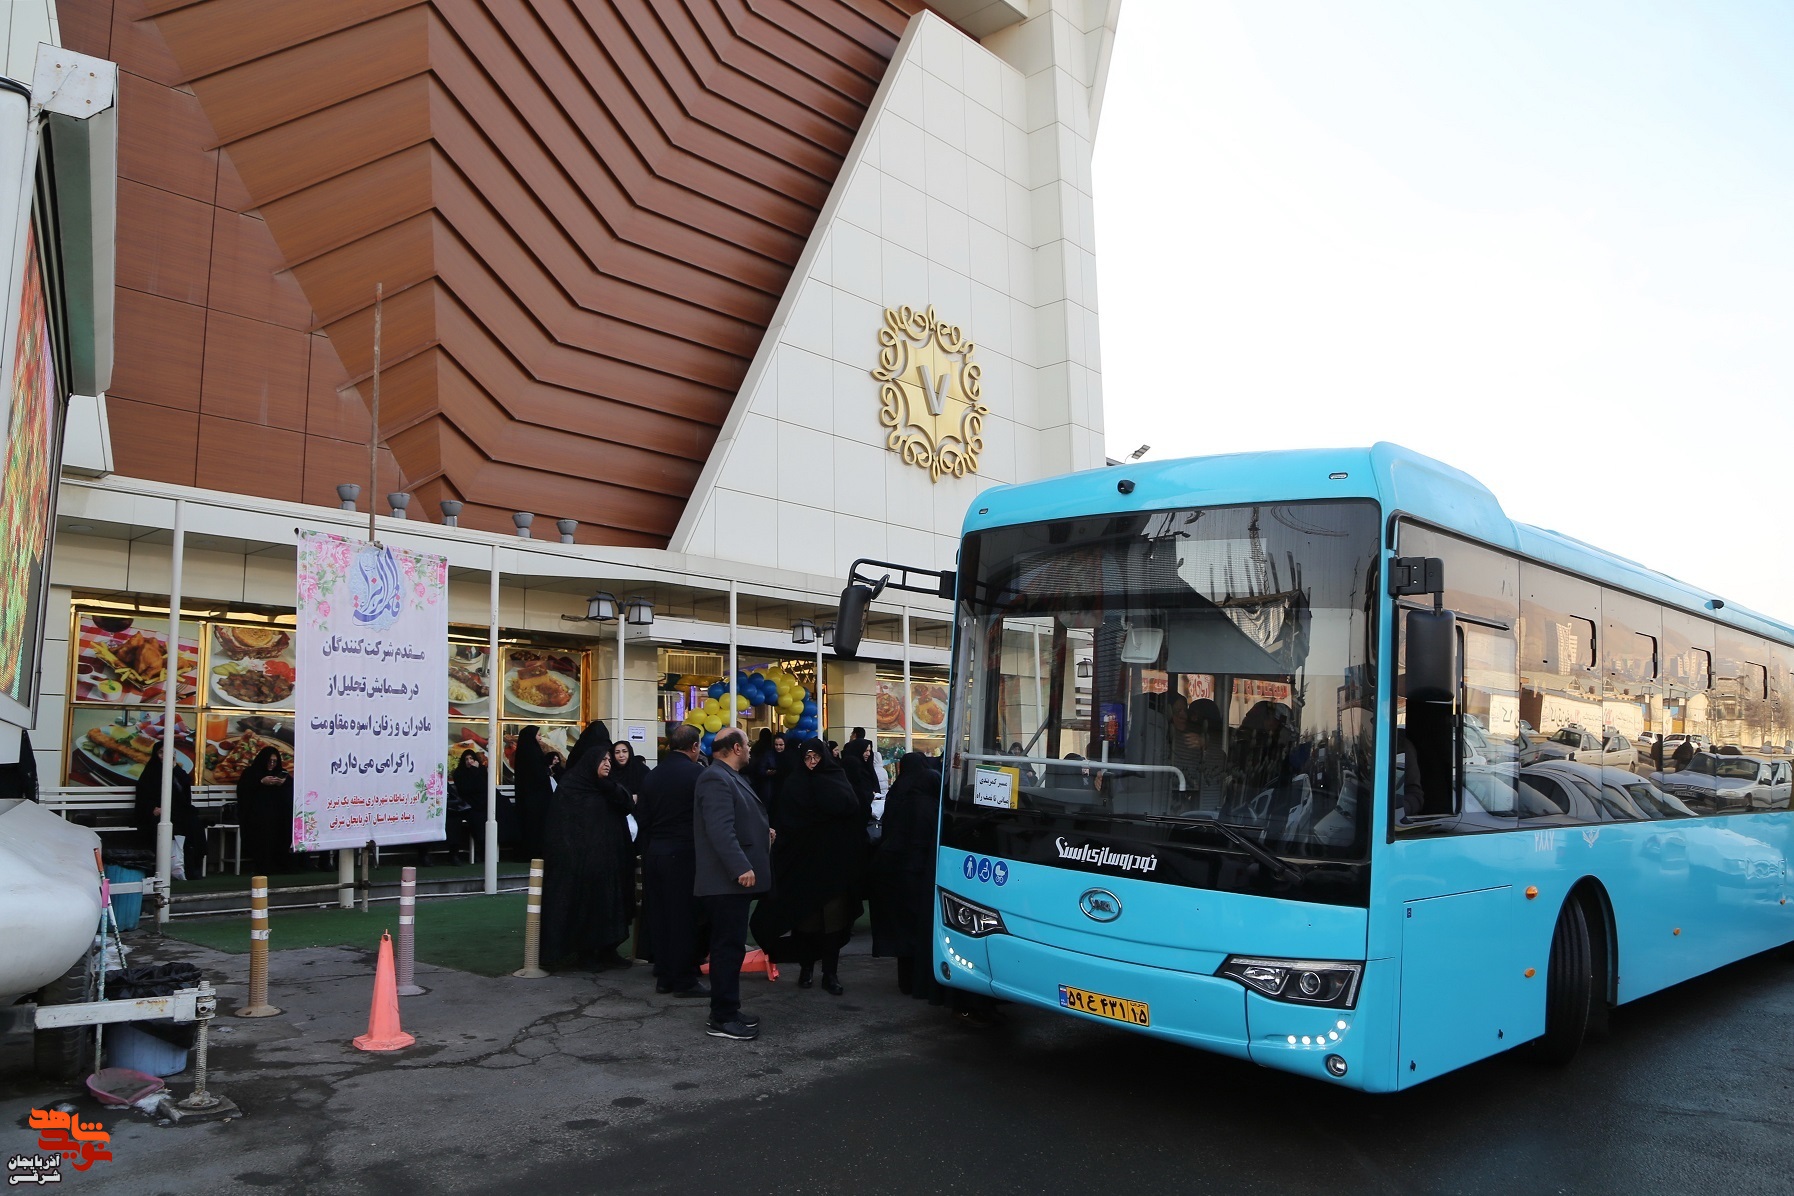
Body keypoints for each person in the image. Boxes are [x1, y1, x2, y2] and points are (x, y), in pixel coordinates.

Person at [751, 738, 865, 994]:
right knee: (806, 918)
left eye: (816, 757)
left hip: (833, 861)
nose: (812, 762)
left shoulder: (837, 777)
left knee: (833, 918)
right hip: (803, 861)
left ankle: (830, 973)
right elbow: (786, 819)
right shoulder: (795, 782)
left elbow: (851, 809)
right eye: (807, 758)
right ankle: (806, 969)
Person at [693, 727, 772, 1040]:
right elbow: (720, 829)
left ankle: (728, 1008)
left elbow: (736, 821)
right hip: (725, 881)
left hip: (730, 881)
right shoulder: (715, 778)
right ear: (736, 748)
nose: (751, 749)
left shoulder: (728, 776)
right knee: (727, 950)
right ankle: (722, 1017)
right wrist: (740, 865)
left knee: (731, 948)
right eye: (747, 744)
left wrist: (761, 836)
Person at [539, 743, 635, 970]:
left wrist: (609, 788)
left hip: (610, 861)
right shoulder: (572, 787)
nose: (608, 764)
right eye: (603, 760)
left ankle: (608, 950)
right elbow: (563, 827)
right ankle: (587, 954)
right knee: (587, 907)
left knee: (612, 904)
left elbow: (626, 805)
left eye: (609, 760)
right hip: (580, 863)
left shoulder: (605, 786)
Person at [635, 724, 709, 998]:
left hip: (655, 853)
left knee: (662, 917)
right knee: (684, 918)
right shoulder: (697, 774)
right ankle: (684, 980)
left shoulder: (652, 776)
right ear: (694, 747)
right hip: (684, 854)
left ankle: (665, 976)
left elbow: (642, 816)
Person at [871, 751, 942, 996]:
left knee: (902, 928)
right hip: (918, 871)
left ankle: (905, 981)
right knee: (918, 927)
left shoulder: (897, 793)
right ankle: (920, 981)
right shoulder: (926, 803)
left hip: (894, 869)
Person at [133, 742, 203, 878]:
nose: (164, 756)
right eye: (161, 752)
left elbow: (184, 789)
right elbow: (144, 795)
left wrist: (174, 768)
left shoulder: (178, 771)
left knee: (194, 825)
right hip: (157, 813)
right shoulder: (151, 772)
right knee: (166, 826)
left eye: (169, 752)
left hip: (178, 812)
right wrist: (153, 809)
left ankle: (191, 868)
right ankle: (166, 868)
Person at [237, 746, 294, 876]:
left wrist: (283, 784)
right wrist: (261, 782)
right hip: (257, 812)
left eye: (274, 761)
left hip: (279, 812)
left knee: (285, 824)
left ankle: (283, 864)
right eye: (269, 761)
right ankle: (263, 865)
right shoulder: (251, 773)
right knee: (264, 823)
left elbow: (291, 792)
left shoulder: (281, 772)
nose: (272, 764)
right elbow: (243, 791)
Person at [512, 727, 554, 861]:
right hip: (537, 798)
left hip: (530, 797)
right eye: (538, 735)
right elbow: (538, 774)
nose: (540, 738)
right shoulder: (532, 752)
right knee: (536, 824)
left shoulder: (525, 751)